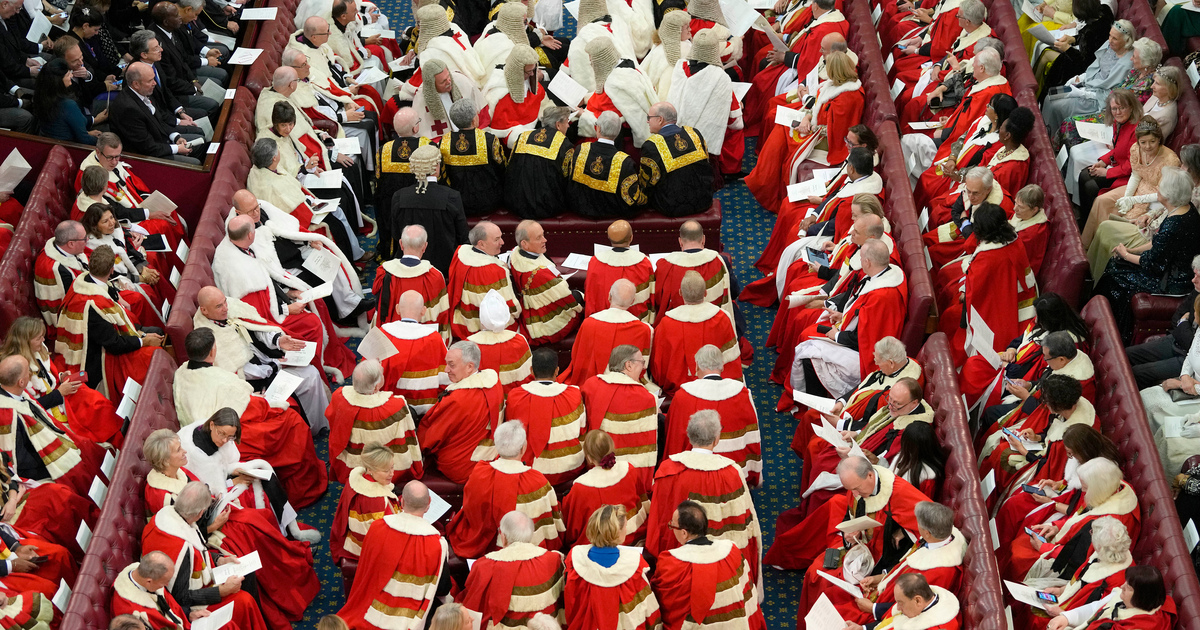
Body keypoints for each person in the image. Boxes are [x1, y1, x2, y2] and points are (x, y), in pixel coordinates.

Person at [140, 430, 321, 629]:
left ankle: (293, 560)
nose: (185, 452)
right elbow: (184, 534)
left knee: (258, 519)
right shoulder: (161, 498)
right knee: (249, 533)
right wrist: (213, 526)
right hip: (206, 538)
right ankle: (283, 585)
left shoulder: (179, 472)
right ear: (165, 461)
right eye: (178, 450)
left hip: (207, 522)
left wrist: (218, 506)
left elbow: (195, 510)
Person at [212, 214, 356, 381]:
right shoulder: (241, 273)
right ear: (251, 235)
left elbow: (268, 283)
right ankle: (319, 375)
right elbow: (256, 313)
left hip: (274, 303)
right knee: (312, 323)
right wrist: (287, 308)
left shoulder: (240, 247)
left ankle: (329, 355)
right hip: (267, 321)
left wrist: (288, 293)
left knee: (317, 301)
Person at [803, 501, 964, 629]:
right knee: (829, 595)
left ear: (927, 532)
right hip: (885, 592)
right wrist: (879, 578)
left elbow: (916, 605)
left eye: (919, 524)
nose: (916, 526)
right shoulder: (933, 540)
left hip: (887, 609)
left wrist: (873, 609)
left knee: (835, 616)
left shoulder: (942, 570)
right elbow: (904, 566)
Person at [647, 410, 762, 583]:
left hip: (681, 563)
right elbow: (743, 523)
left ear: (689, 436)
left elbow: (660, 520)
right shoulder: (732, 473)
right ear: (717, 440)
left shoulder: (668, 470)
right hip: (723, 564)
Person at [764, 456, 931, 572]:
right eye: (851, 490)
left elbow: (929, 528)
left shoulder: (899, 493)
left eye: (857, 488)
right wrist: (849, 535)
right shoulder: (857, 486)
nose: (855, 494)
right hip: (861, 544)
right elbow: (850, 515)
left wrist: (900, 533)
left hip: (884, 555)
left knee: (820, 575)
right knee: (817, 569)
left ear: (870, 475)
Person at [193, 285, 330, 424]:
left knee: (311, 371)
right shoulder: (209, 338)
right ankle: (313, 429)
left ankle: (320, 424)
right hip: (257, 381)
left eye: (225, 302)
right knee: (310, 376)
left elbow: (258, 328)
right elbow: (238, 371)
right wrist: (273, 366)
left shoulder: (232, 307)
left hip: (268, 361)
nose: (226, 308)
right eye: (219, 306)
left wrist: (278, 340)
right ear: (204, 310)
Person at [141, 482, 269, 630]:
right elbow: (181, 597)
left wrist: (220, 559)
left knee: (247, 572)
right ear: (201, 513)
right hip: (191, 605)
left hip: (198, 578)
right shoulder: (181, 548)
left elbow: (199, 549)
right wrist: (221, 591)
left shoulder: (169, 514)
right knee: (244, 601)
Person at [176, 406, 326, 532]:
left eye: (229, 437)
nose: (224, 441)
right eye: (221, 434)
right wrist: (235, 482)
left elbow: (225, 464)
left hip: (223, 481)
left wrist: (234, 470)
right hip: (213, 498)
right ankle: (278, 532)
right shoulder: (197, 453)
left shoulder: (218, 435)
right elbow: (209, 488)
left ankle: (288, 528)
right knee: (257, 494)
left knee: (266, 473)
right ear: (212, 425)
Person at [792, 239, 908, 397]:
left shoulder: (881, 296)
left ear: (867, 262)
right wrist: (843, 316)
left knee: (808, 353)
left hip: (866, 356)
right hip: (857, 336)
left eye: (861, 258)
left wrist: (837, 335)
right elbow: (864, 316)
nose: (859, 262)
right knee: (809, 339)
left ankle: (815, 406)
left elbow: (866, 336)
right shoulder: (885, 274)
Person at [798, 378, 934, 513]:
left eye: (896, 403)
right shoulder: (900, 408)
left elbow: (888, 463)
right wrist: (856, 433)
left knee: (823, 484)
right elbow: (873, 426)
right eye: (890, 400)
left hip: (871, 468)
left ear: (914, 403)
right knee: (821, 452)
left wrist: (855, 455)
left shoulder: (911, 430)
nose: (890, 406)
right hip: (861, 447)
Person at [1095, 167, 1200, 339]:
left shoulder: (1174, 225)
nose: (1157, 190)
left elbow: (1152, 264)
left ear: (1169, 195)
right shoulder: (1184, 209)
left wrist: (1125, 254)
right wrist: (1130, 250)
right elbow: (1157, 244)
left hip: (1174, 281)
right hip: (1168, 267)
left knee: (1116, 272)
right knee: (1118, 263)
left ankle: (1114, 330)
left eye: (1160, 188)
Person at [53, 246, 164, 400]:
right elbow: (114, 344)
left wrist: (141, 334)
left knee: (154, 330)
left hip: (105, 340)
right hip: (98, 359)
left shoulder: (85, 281)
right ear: (112, 270)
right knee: (152, 353)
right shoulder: (92, 305)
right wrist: (142, 341)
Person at [1002, 458, 1139, 582]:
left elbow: (1083, 556)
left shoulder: (1109, 522)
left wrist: (1045, 548)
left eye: (1085, 488)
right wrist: (1056, 526)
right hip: (1069, 543)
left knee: (1019, 556)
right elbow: (1079, 515)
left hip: (1075, 563)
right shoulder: (1110, 487)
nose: (1083, 492)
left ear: (1096, 489)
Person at [338, 480, 450, 630]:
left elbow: (365, 571)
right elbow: (443, 588)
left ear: (402, 502)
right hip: (410, 617)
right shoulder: (437, 544)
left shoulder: (377, 527)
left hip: (370, 608)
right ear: (428, 505)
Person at [447, 421, 565, 558]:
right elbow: (551, 520)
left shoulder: (479, 473)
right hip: (524, 551)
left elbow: (469, 509)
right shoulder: (537, 481)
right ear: (523, 448)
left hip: (480, 544)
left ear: (496, 446)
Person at [938, 204, 1039, 363]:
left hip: (998, 307)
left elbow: (974, 291)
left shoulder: (987, 257)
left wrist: (964, 293)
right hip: (1018, 297)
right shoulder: (1014, 239)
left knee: (951, 316)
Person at [0, 316, 122, 447]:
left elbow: (46, 377)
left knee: (96, 402)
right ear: (25, 341)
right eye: (38, 338)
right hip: (48, 410)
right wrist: (59, 393)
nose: (43, 340)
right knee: (89, 419)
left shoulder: (38, 349)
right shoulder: (15, 370)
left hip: (60, 394)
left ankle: (120, 434)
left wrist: (60, 376)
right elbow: (26, 408)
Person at [1085, 119, 1181, 277]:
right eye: (1143, 142)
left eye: (1152, 141)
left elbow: (1164, 194)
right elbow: (1136, 174)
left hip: (1157, 198)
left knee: (1122, 217)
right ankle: (1088, 246)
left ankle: (1107, 260)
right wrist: (1128, 196)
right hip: (1138, 187)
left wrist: (1133, 201)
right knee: (1102, 200)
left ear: (1159, 139)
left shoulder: (1170, 160)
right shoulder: (1136, 149)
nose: (1147, 146)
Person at [247, 137, 364, 264]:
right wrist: (309, 204)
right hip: (297, 222)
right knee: (336, 224)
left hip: (304, 204)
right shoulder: (269, 185)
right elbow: (286, 210)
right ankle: (350, 262)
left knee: (338, 210)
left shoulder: (261, 169)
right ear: (274, 158)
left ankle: (355, 255)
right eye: (278, 150)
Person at [652, 500, 764, 630]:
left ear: (684, 533)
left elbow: (663, 602)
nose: (671, 528)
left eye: (672, 526)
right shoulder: (732, 551)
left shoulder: (672, 563)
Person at [741, 0, 846, 139]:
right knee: (762, 71)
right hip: (803, 68)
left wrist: (785, 57)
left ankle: (751, 120)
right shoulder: (829, 20)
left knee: (762, 82)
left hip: (804, 74)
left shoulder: (825, 29)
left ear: (814, 5)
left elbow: (810, 61)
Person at [1011, 516, 1132, 630]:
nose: (1090, 535)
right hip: (1068, 602)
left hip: (1078, 618)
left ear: (1100, 546)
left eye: (1092, 533)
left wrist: (1065, 615)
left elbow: (1098, 611)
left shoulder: (1118, 580)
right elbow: (1079, 579)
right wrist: (1060, 590)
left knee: (1036, 619)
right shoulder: (1105, 552)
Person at [663, 345, 761, 486]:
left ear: (697, 366)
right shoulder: (742, 393)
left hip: (694, 472)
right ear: (722, 366)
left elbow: (674, 438)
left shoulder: (683, 396)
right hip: (732, 470)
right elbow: (751, 437)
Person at [73, 133, 188, 247]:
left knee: (169, 211)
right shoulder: (91, 175)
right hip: (124, 220)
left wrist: (148, 201)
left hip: (135, 208)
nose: (114, 162)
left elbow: (133, 185)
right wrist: (148, 214)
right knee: (162, 224)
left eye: (117, 156)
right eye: (110, 157)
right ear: (98, 152)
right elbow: (112, 211)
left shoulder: (109, 162)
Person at [416, 341, 504, 484]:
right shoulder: (495, 383)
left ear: (470, 367)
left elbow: (429, 437)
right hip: (491, 455)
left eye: (452, 365)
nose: (446, 370)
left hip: (463, 466)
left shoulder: (458, 399)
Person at [460, 511, 565, 628]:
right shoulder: (554, 559)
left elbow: (473, 606)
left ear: (503, 536)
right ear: (531, 534)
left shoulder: (484, 566)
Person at [563, 505, 661, 630]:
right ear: (617, 531)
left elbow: (571, 603)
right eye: (625, 526)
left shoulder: (575, 559)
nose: (627, 529)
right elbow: (645, 607)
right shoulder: (634, 564)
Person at [327, 360, 422, 485]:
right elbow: (408, 435)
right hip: (384, 467)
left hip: (352, 466)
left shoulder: (338, 397)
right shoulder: (397, 404)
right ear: (377, 386)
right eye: (382, 374)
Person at [651, 271, 741, 398]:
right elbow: (732, 360)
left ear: (680, 293)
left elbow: (658, 364)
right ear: (705, 293)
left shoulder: (666, 323)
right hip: (716, 387)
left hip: (679, 389)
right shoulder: (722, 318)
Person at [666, 29, 743, 176]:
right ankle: (730, 171)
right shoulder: (720, 76)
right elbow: (735, 121)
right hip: (703, 138)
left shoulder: (680, 66)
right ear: (715, 50)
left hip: (675, 129)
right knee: (736, 129)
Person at [505, 347, 587, 485]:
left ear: (531, 371)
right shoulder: (574, 395)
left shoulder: (516, 396)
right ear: (557, 371)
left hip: (531, 469)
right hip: (571, 467)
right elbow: (583, 431)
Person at [581, 345, 660, 486]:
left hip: (594, 465)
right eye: (641, 362)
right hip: (629, 476)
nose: (643, 367)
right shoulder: (645, 398)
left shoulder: (591, 385)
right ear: (628, 365)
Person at [81, 202, 174, 319]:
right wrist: (139, 278)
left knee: (153, 272)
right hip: (117, 281)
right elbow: (108, 274)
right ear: (94, 226)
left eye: (111, 218)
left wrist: (143, 268)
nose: (112, 223)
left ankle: (173, 309)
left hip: (130, 271)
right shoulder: (91, 247)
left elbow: (128, 251)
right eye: (105, 221)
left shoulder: (115, 230)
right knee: (143, 292)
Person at [389, 147, 469, 278]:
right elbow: (462, 235)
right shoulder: (451, 196)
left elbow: (396, 233)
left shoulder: (399, 196)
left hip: (409, 266)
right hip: (444, 267)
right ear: (437, 167)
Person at [560, 279, 655, 388]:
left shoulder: (589, 323)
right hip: (625, 386)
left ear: (609, 296)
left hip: (591, 385)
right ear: (632, 301)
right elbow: (642, 366)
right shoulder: (644, 329)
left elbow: (578, 358)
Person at [1127, 256, 1200, 389]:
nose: (1193, 280)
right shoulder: (1197, 291)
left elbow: (1193, 346)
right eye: (1194, 275)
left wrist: (1183, 323)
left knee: (1138, 372)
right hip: (1175, 341)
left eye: (1198, 277)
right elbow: (1176, 316)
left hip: (1189, 360)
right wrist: (1183, 327)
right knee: (1126, 355)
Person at [109, 62, 203, 164]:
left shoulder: (143, 92)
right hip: (145, 157)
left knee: (200, 140)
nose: (155, 83)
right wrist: (176, 148)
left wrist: (176, 137)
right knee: (195, 163)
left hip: (159, 140)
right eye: (150, 81)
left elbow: (159, 121)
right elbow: (147, 147)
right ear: (136, 84)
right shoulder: (128, 109)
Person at [374, 290, 450, 416]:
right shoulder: (434, 338)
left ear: (397, 309)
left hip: (387, 407)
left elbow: (366, 375)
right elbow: (447, 376)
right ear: (424, 310)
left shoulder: (382, 333)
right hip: (425, 409)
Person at [508, 220, 583, 346]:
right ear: (524, 244)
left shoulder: (515, 252)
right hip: (544, 321)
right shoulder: (540, 274)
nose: (545, 240)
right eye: (539, 238)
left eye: (543, 235)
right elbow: (567, 300)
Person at [330, 443, 403, 567]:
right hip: (366, 550)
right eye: (386, 470)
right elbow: (380, 539)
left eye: (392, 467)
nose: (392, 473)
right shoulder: (375, 500)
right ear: (370, 469)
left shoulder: (358, 479)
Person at [577, 37, 658, 147]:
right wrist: (585, 98)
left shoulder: (615, 84)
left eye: (592, 62)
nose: (591, 65)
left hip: (611, 137)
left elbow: (610, 122)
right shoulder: (624, 66)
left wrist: (582, 114)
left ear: (601, 62)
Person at [639, 102, 714, 218]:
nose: (647, 121)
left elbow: (646, 182)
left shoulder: (651, 146)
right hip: (704, 199)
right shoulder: (694, 133)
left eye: (649, 118)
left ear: (660, 119)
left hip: (671, 206)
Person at [654, 220, 736, 327]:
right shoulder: (720, 261)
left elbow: (658, 300)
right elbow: (733, 292)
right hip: (713, 323)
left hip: (677, 325)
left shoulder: (665, 265)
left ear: (680, 242)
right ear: (703, 240)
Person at [447, 221, 521, 339]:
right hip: (484, 329)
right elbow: (511, 308)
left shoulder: (460, 252)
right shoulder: (494, 271)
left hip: (461, 320)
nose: (502, 242)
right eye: (497, 239)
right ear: (481, 244)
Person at [565, 111, 644, 218]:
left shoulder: (580, 150)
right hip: (612, 214)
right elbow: (631, 199)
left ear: (597, 128)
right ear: (618, 131)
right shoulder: (625, 162)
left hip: (579, 209)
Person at [1044, 566, 1175, 630]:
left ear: (1141, 596)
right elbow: (1095, 608)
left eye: (1129, 587)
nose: (1122, 586)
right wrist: (1066, 617)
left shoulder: (1139, 626)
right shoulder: (1129, 599)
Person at [375, 108, 430, 256]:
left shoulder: (383, 150)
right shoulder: (427, 147)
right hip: (422, 202)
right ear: (415, 128)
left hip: (392, 205)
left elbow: (378, 180)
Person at [440, 99, 507, 217]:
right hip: (489, 201)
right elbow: (502, 167)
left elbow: (443, 174)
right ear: (474, 120)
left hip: (457, 202)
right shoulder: (490, 140)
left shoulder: (444, 142)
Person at [506, 107, 575, 219]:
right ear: (558, 125)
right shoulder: (565, 145)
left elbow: (510, 167)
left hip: (516, 202)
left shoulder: (523, 137)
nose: (568, 126)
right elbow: (567, 179)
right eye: (567, 122)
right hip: (548, 206)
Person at [584, 221, 655, 321]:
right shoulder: (643, 262)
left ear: (609, 238)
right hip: (635, 321)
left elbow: (591, 294)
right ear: (631, 238)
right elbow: (651, 295)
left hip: (602, 320)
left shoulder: (595, 261)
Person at [110, 552, 195, 630]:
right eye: (164, 582)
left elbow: (171, 609)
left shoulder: (147, 575)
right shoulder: (131, 612)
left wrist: (188, 615)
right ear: (149, 581)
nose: (166, 584)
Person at [468, 290, 533, 392]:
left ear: (481, 317)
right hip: (512, 401)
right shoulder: (519, 341)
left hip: (483, 404)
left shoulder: (468, 345)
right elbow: (527, 378)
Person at [843, 574, 961, 630]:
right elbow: (889, 623)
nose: (897, 608)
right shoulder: (916, 605)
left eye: (900, 602)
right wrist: (862, 629)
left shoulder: (936, 627)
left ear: (918, 600)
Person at [407, 58, 486, 140]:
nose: (449, 82)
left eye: (448, 76)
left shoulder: (462, 81)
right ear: (432, 85)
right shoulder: (420, 99)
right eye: (443, 81)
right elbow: (424, 137)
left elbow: (484, 114)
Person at [486, 45, 547, 149]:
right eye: (529, 71)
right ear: (517, 71)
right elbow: (504, 128)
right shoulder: (500, 93)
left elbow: (540, 98)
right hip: (511, 139)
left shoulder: (529, 78)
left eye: (533, 70)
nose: (532, 74)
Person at [34, 57, 100, 144]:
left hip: (52, 142)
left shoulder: (41, 97)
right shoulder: (68, 105)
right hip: (70, 147)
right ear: (58, 81)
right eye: (68, 74)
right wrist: (102, 141)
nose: (72, 76)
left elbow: (63, 125)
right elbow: (84, 139)